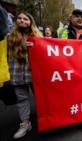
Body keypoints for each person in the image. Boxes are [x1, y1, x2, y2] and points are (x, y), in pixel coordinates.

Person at [53, 9, 82, 134]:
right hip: (65, 71)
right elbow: (47, 48)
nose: (79, 18)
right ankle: (64, 118)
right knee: (66, 97)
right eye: (76, 16)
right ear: (71, 19)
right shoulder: (60, 32)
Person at [7, 11, 43, 139]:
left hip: (35, 74)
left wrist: (37, 45)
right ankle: (25, 124)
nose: (22, 20)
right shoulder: (9, 37)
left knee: (41, 97)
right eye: (20, 18)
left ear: (31, 21)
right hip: (17, 73)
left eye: (25, 19)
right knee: (22, 99)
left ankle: (45, 119)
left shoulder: (39, 37)